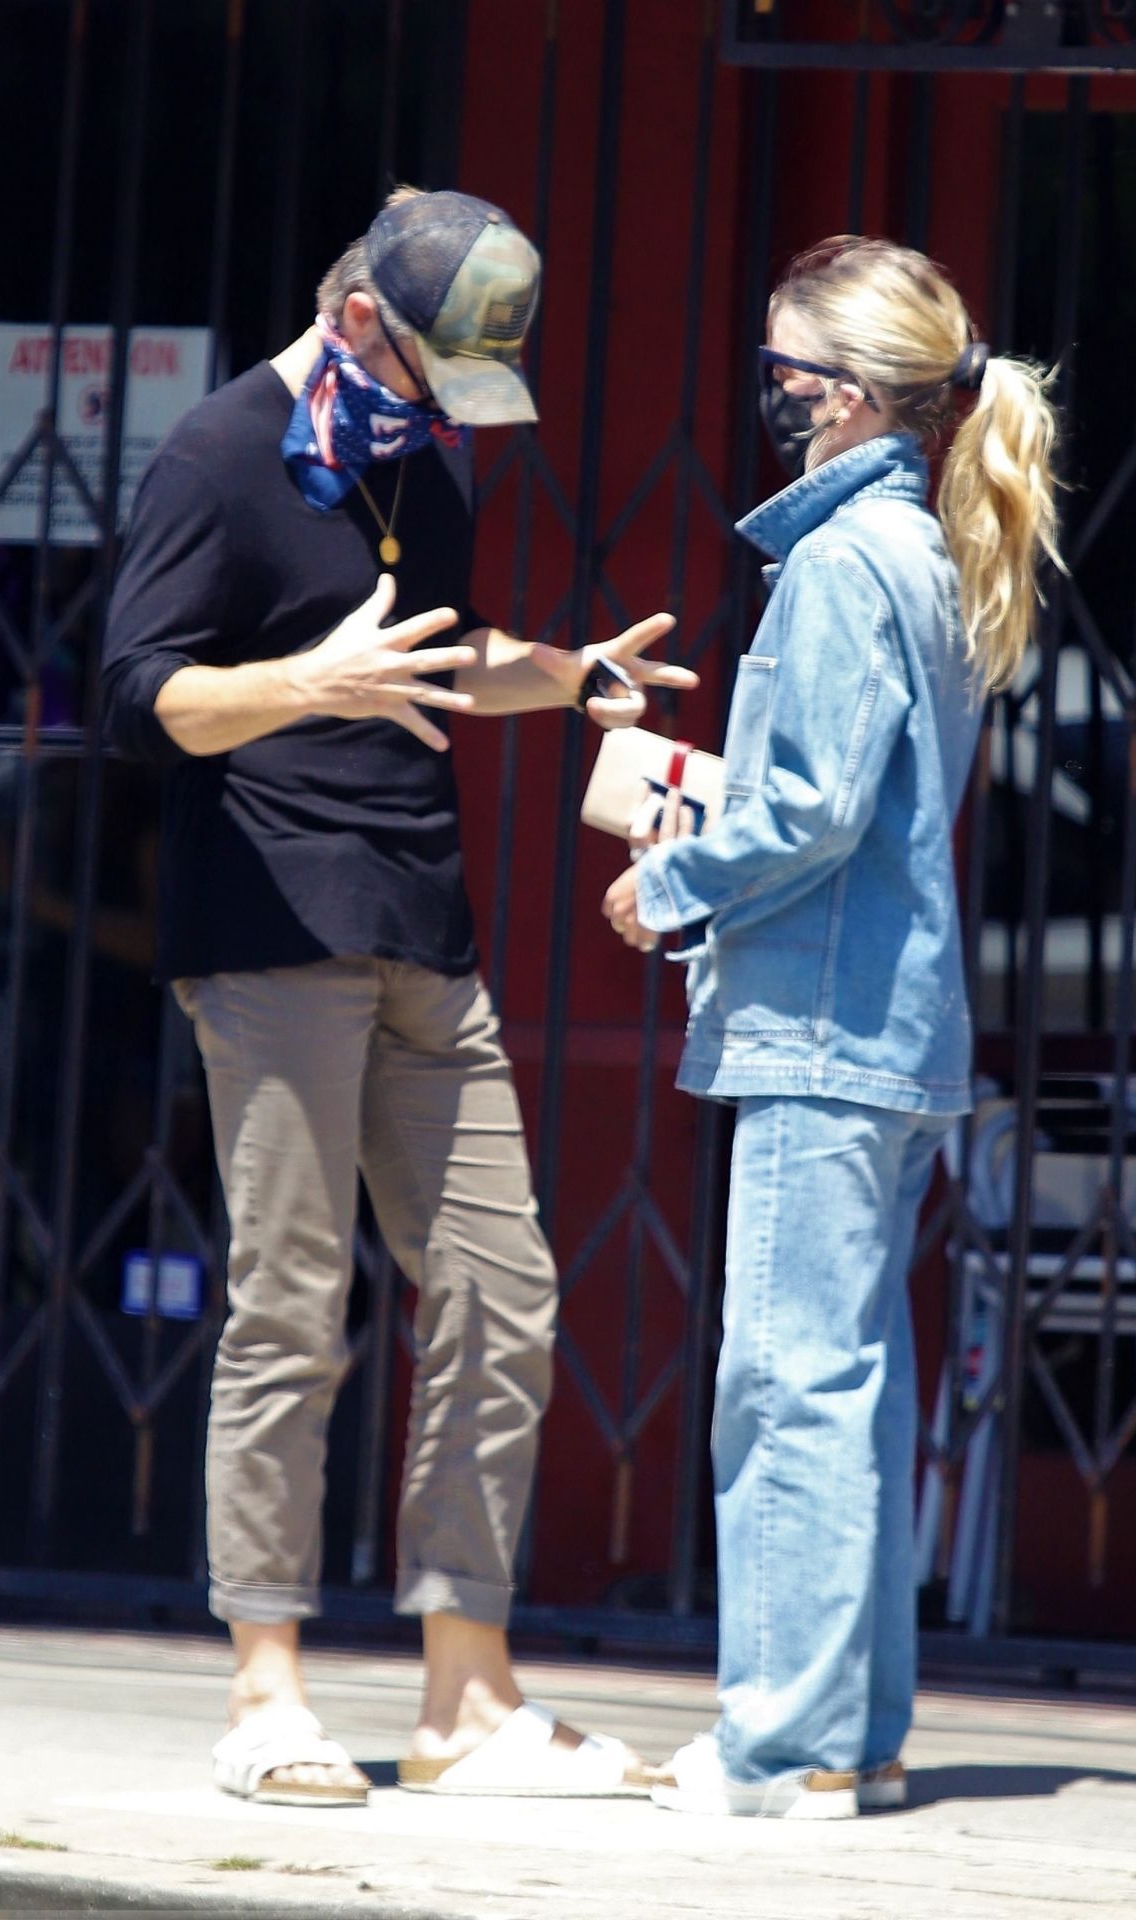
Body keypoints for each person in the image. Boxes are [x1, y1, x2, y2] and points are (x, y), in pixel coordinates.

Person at [103, 186, 695, 1806]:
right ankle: (264, 1696)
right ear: (361, 315)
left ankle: (464, 1706)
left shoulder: (421, 457)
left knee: (505, 1289)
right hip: (271, 927)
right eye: (436, 368)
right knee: (289, 1308)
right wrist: (308, 684)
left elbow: (444, 651)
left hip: (420, 924)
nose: (447, 410)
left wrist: (569, 675)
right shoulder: (220, 455)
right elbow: (136, 696)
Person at [603, 236, 1060, 1818]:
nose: (774, 398)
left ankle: (783, 1745)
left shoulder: (848, 558)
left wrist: (672, 883)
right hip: (886, 1028)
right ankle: (842, 1740)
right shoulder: (916, 548)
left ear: (851, 395)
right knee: (846, 1382)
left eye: (786, 373)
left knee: (789, 1384)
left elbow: (810, 803)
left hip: (822, 1024)